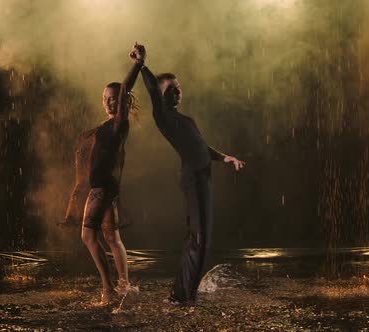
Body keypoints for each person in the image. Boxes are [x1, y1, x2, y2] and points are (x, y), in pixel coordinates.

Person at [140, 62, 245, 305]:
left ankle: (183, 291)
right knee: (199, 238)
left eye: (178, 89)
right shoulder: (163, 116)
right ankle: (181, 295)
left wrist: (224, 157)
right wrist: (142, 65)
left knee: (201, 238)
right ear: (161, 95)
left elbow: (201, 147)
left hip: (203, 177)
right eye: (170, 90)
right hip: (193, 177)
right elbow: (153, 91)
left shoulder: (186, 120)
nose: (176, 93)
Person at [60, 43, 145, 305]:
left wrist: (138, 64)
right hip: (106, 187)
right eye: (105, 97)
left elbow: (124, 91)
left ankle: (108, 290)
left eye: (114, 98)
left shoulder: (119, 123)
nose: (109, 101)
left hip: (103, 189)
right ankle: (124, 285)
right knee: (111, 237)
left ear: (122, 101)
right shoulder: (106, 126)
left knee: (88, 236)